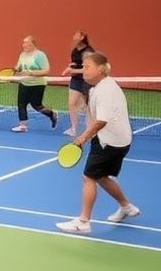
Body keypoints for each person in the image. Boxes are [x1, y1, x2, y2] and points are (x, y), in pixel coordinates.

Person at [56, 52, 141, 235]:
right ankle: (126, 207)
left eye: (87, 67)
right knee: (101, 176)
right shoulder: (100, 86)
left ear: (101, 68)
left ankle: (83, 221)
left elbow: (101, 121)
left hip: (107, 141)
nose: (83, 70)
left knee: (88, 177)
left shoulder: (104, 90)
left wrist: (82, 138)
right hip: (119, 140)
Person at [11, 34, 58, 132]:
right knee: (21, 103)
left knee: (37, 106)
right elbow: (19, 66)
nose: (23, 45)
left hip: (37, 85)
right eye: (23, 43)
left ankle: (51, 114)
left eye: (26, 42)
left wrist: (31, 73)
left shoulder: (40, 55)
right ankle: (23, 125)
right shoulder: (22, 54)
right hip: (24, 83)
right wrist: (17, 69)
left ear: (32, 44)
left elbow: (46, 71)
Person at [61, 30, 94, 137]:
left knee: (88, 105)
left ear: (82, 37)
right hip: (76, 80)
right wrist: (70, 66)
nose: (74, 37)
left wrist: (72, 71)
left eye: (76, 35)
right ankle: (74, 128)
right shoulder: (75, 50)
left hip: (87, 80)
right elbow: (75, 63)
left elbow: (88, 69)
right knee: (72, 103)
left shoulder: (88, 51)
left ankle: (90, 129)